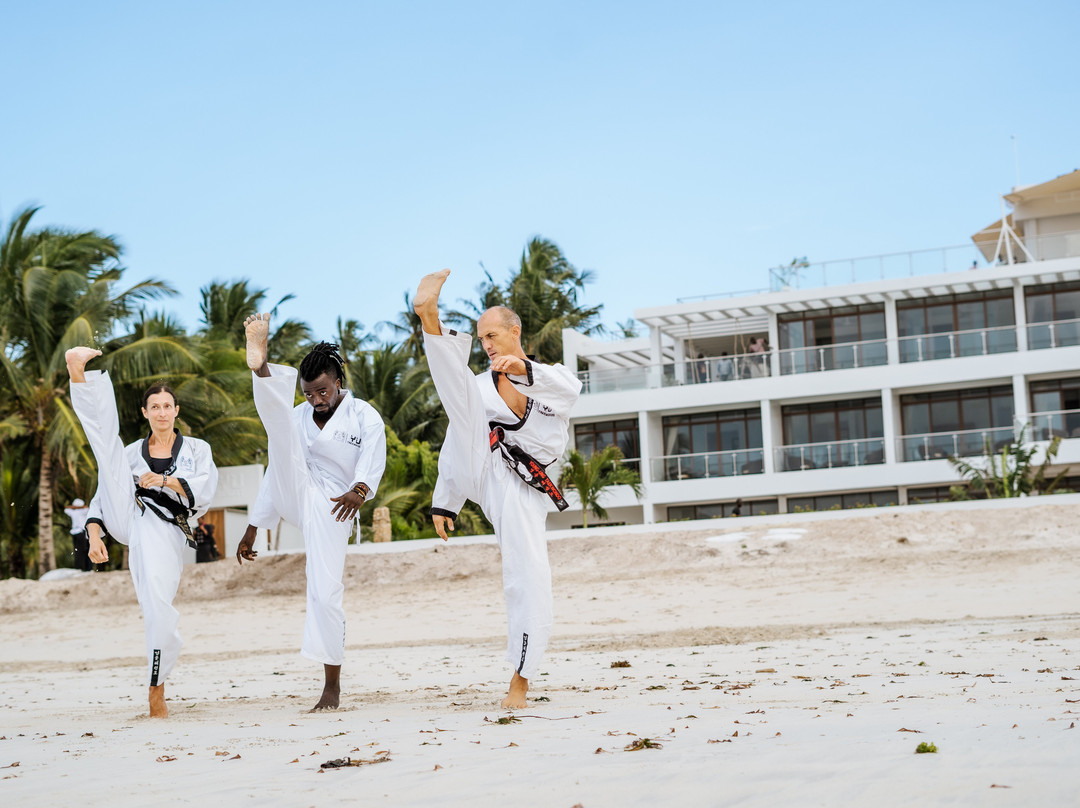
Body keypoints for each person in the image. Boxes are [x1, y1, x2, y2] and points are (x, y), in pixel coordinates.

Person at [412, 268, 582, 709]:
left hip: (527, 484)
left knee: (527, 575)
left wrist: (523, 369)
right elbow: (458, 437)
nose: (487, 344)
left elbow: (570, 392)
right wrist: (445, 501)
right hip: (488, 470)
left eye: (492, 335)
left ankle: (521, 679)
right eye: (481, 338)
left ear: (514, 330)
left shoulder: (550, 378)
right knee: (463, 401)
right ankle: (429, 320)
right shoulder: (480, 387)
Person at [236, 317, 386, 712]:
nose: (316, 400)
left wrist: (360, 490)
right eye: (307, 394)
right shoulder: (300, 416)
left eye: (321, 391)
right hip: (296, 492)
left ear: (337, 381)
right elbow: (276, 471)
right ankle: (261, 367)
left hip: (336, 508)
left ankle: (331, 685)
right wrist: (253, 527)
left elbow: (373, 459)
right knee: (281, 431)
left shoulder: (363, 416)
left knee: (324, 592)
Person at [66, 347, 218, 718]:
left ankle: (156, 686)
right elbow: (102, 497)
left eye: (168, 406)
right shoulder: (133, 453)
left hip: (166, 529)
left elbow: (206, 490)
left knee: (158, 604)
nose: (162, 412)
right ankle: (77, 374)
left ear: (176, 411)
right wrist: (96, 536)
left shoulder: (198, 449)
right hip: (129, 518)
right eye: (155, 407)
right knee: (109, 452)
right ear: (145, 413)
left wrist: (165, 480)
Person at [64, 498, 91, 571]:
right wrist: (79, 507)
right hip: (79, 532)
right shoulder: (82, 511)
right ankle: (82, 568)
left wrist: (75, 507)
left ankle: (81, 567)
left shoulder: (74, 512)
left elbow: (66, 509)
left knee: (79, 551)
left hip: (78, 532)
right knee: (80, 551)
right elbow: (87, 508)